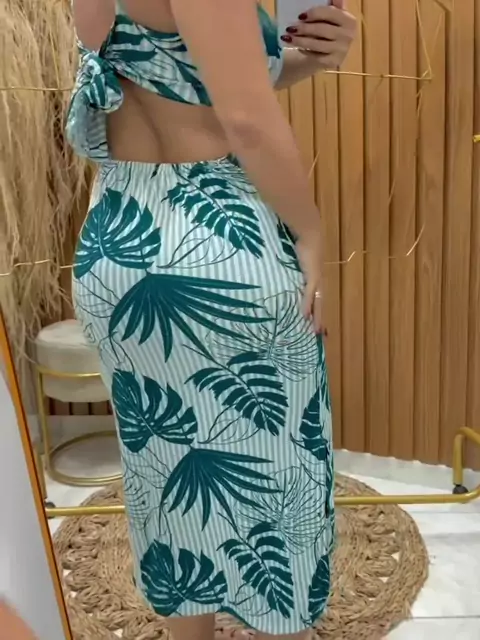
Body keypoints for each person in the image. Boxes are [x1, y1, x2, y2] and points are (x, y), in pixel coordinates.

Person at [67, 2, 356, 639]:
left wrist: (307, 59)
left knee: (166, 476)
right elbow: (245, 117)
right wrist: (311, 232)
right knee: (280, 473)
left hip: (120, 233)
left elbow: (174, 69)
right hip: (216, 237)